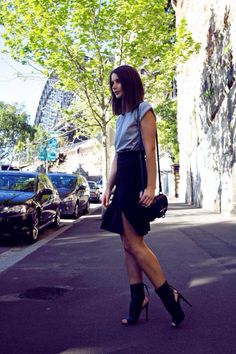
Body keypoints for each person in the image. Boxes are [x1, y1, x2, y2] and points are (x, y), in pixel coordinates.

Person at [101, 65, 191, 327]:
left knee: (135, 245)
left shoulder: (144, 109)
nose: (114, 86)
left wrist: (150, 187)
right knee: (127, 245)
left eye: (118, 81)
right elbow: (118, 156)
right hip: (123, 180)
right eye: (112, 83)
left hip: (136, 179)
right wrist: (108, 187)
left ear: (129, 82)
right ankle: (138, 298)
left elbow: (149, 152)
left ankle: (169, 296)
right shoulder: (120, 118)